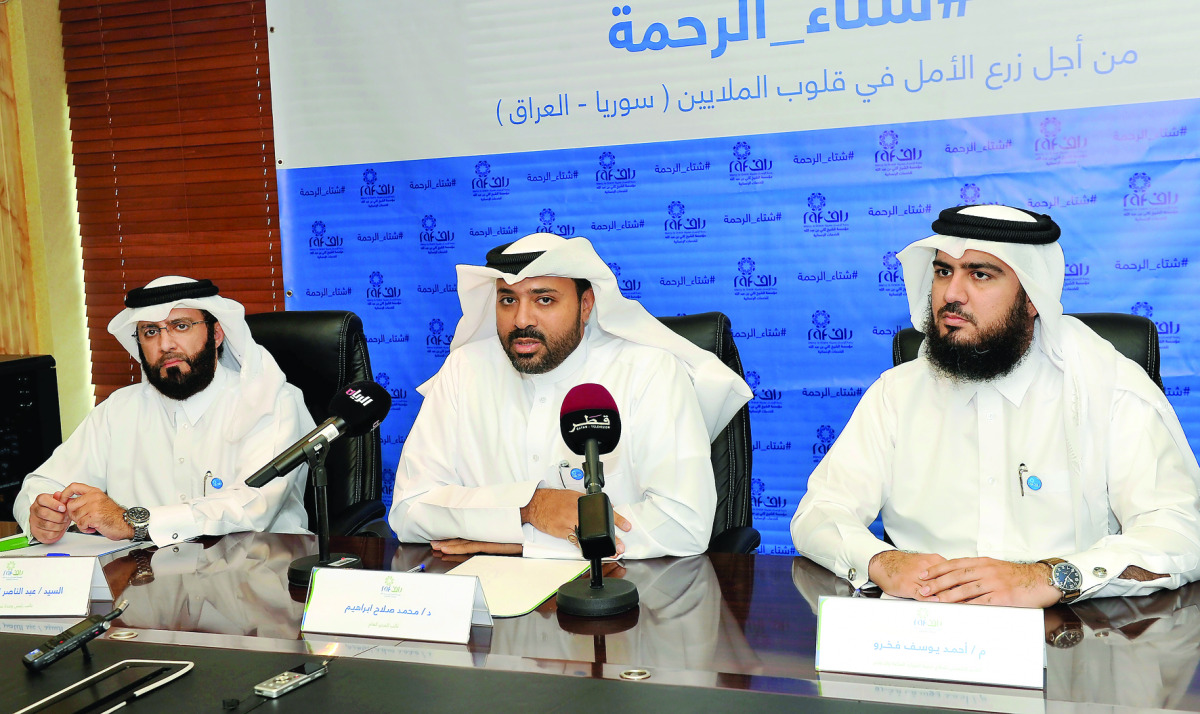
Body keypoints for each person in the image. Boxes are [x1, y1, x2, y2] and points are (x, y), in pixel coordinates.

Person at [791, 204, 1200, 606]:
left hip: (1069, 636)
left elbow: (1181, 532)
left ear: (1032, 297)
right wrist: (881, 560)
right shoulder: (896, 393)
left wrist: (1047, 577)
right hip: (923, 630)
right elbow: (820, 511)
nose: (951, 294)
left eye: (980, 275)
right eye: (943, 271)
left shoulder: (1109, 390)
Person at [389, 233, 752, 559]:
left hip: (622, 604)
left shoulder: (648, 371)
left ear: (586, 304)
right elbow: (410, 509)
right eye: (507, 300)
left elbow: (682, 524)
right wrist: (529, 509)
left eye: (544, 299)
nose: (521, 319)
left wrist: (524, 541)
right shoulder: (464, 369)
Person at [15, 276, 313, 546]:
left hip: (256, 582)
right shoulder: (119, 410)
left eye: (181, 326)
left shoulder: (271, 402)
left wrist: (132, 522)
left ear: (217, 334)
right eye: (150, 332)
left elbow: (253, 505)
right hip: (147, 586)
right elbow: (42, 484)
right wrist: (41, 514)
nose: (165, 344)